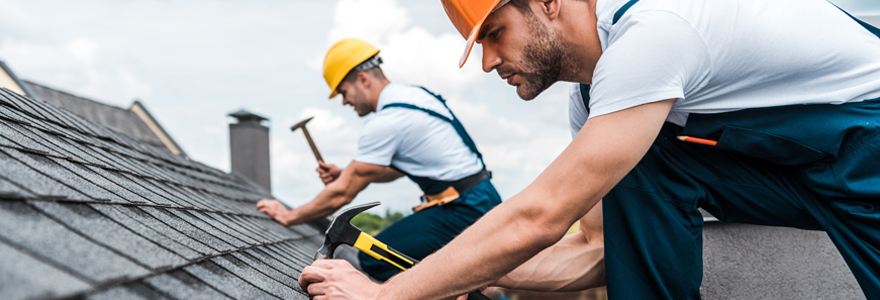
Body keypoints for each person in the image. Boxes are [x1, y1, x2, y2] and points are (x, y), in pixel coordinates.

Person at [296, 0, 880, 299]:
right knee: (643, 162)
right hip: (804, 165)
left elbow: (541, 216)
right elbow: (598, 251)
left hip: (868, 144)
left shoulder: (654, 32)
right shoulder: (596, 101)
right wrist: (440, 277)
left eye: (495, 32)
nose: (488, 61)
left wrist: (390, 295)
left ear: (549, 1)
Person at [256, 38, 502, 282]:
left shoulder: (386, 121)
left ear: (363, 79)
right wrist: (346, 173)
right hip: (481, 196)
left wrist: (290, 215)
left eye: (343, 92)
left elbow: (341, 195)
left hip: (465, 208)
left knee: (376, 259)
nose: (345, 102)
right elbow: (395, 169)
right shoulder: (415, 97)